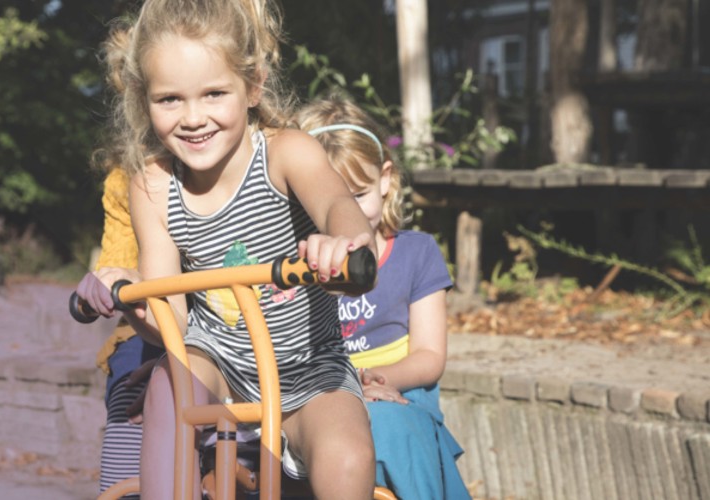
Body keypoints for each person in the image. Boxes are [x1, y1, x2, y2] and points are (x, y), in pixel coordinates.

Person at [79, 0, 379, 498]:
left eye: (214, 94)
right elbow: (170, 321)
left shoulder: (286, 153)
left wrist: (344, 244)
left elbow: (336, 204)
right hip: (217, 362)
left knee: (348, 456)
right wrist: (133, 297)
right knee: (168, 387)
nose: (193, 118)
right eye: (169, 99)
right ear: (143, 99)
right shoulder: (153, 184)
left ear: (253, 85)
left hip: (309, 371)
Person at [297, 94, 471, 500]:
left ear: (385, 179)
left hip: (399, 393)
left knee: (393, 427)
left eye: (358, 195)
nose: (348, 216)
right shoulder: (296, 266)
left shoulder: (416, 253)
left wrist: (376, 380)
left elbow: (429, 356)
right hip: (323, 396)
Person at [76, 166, 163, 499]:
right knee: (131, 387)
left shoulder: (271, 161)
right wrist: (110, 281)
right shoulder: (127, 180)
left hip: (240, 327)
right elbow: (117, 266)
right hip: (151, 326)